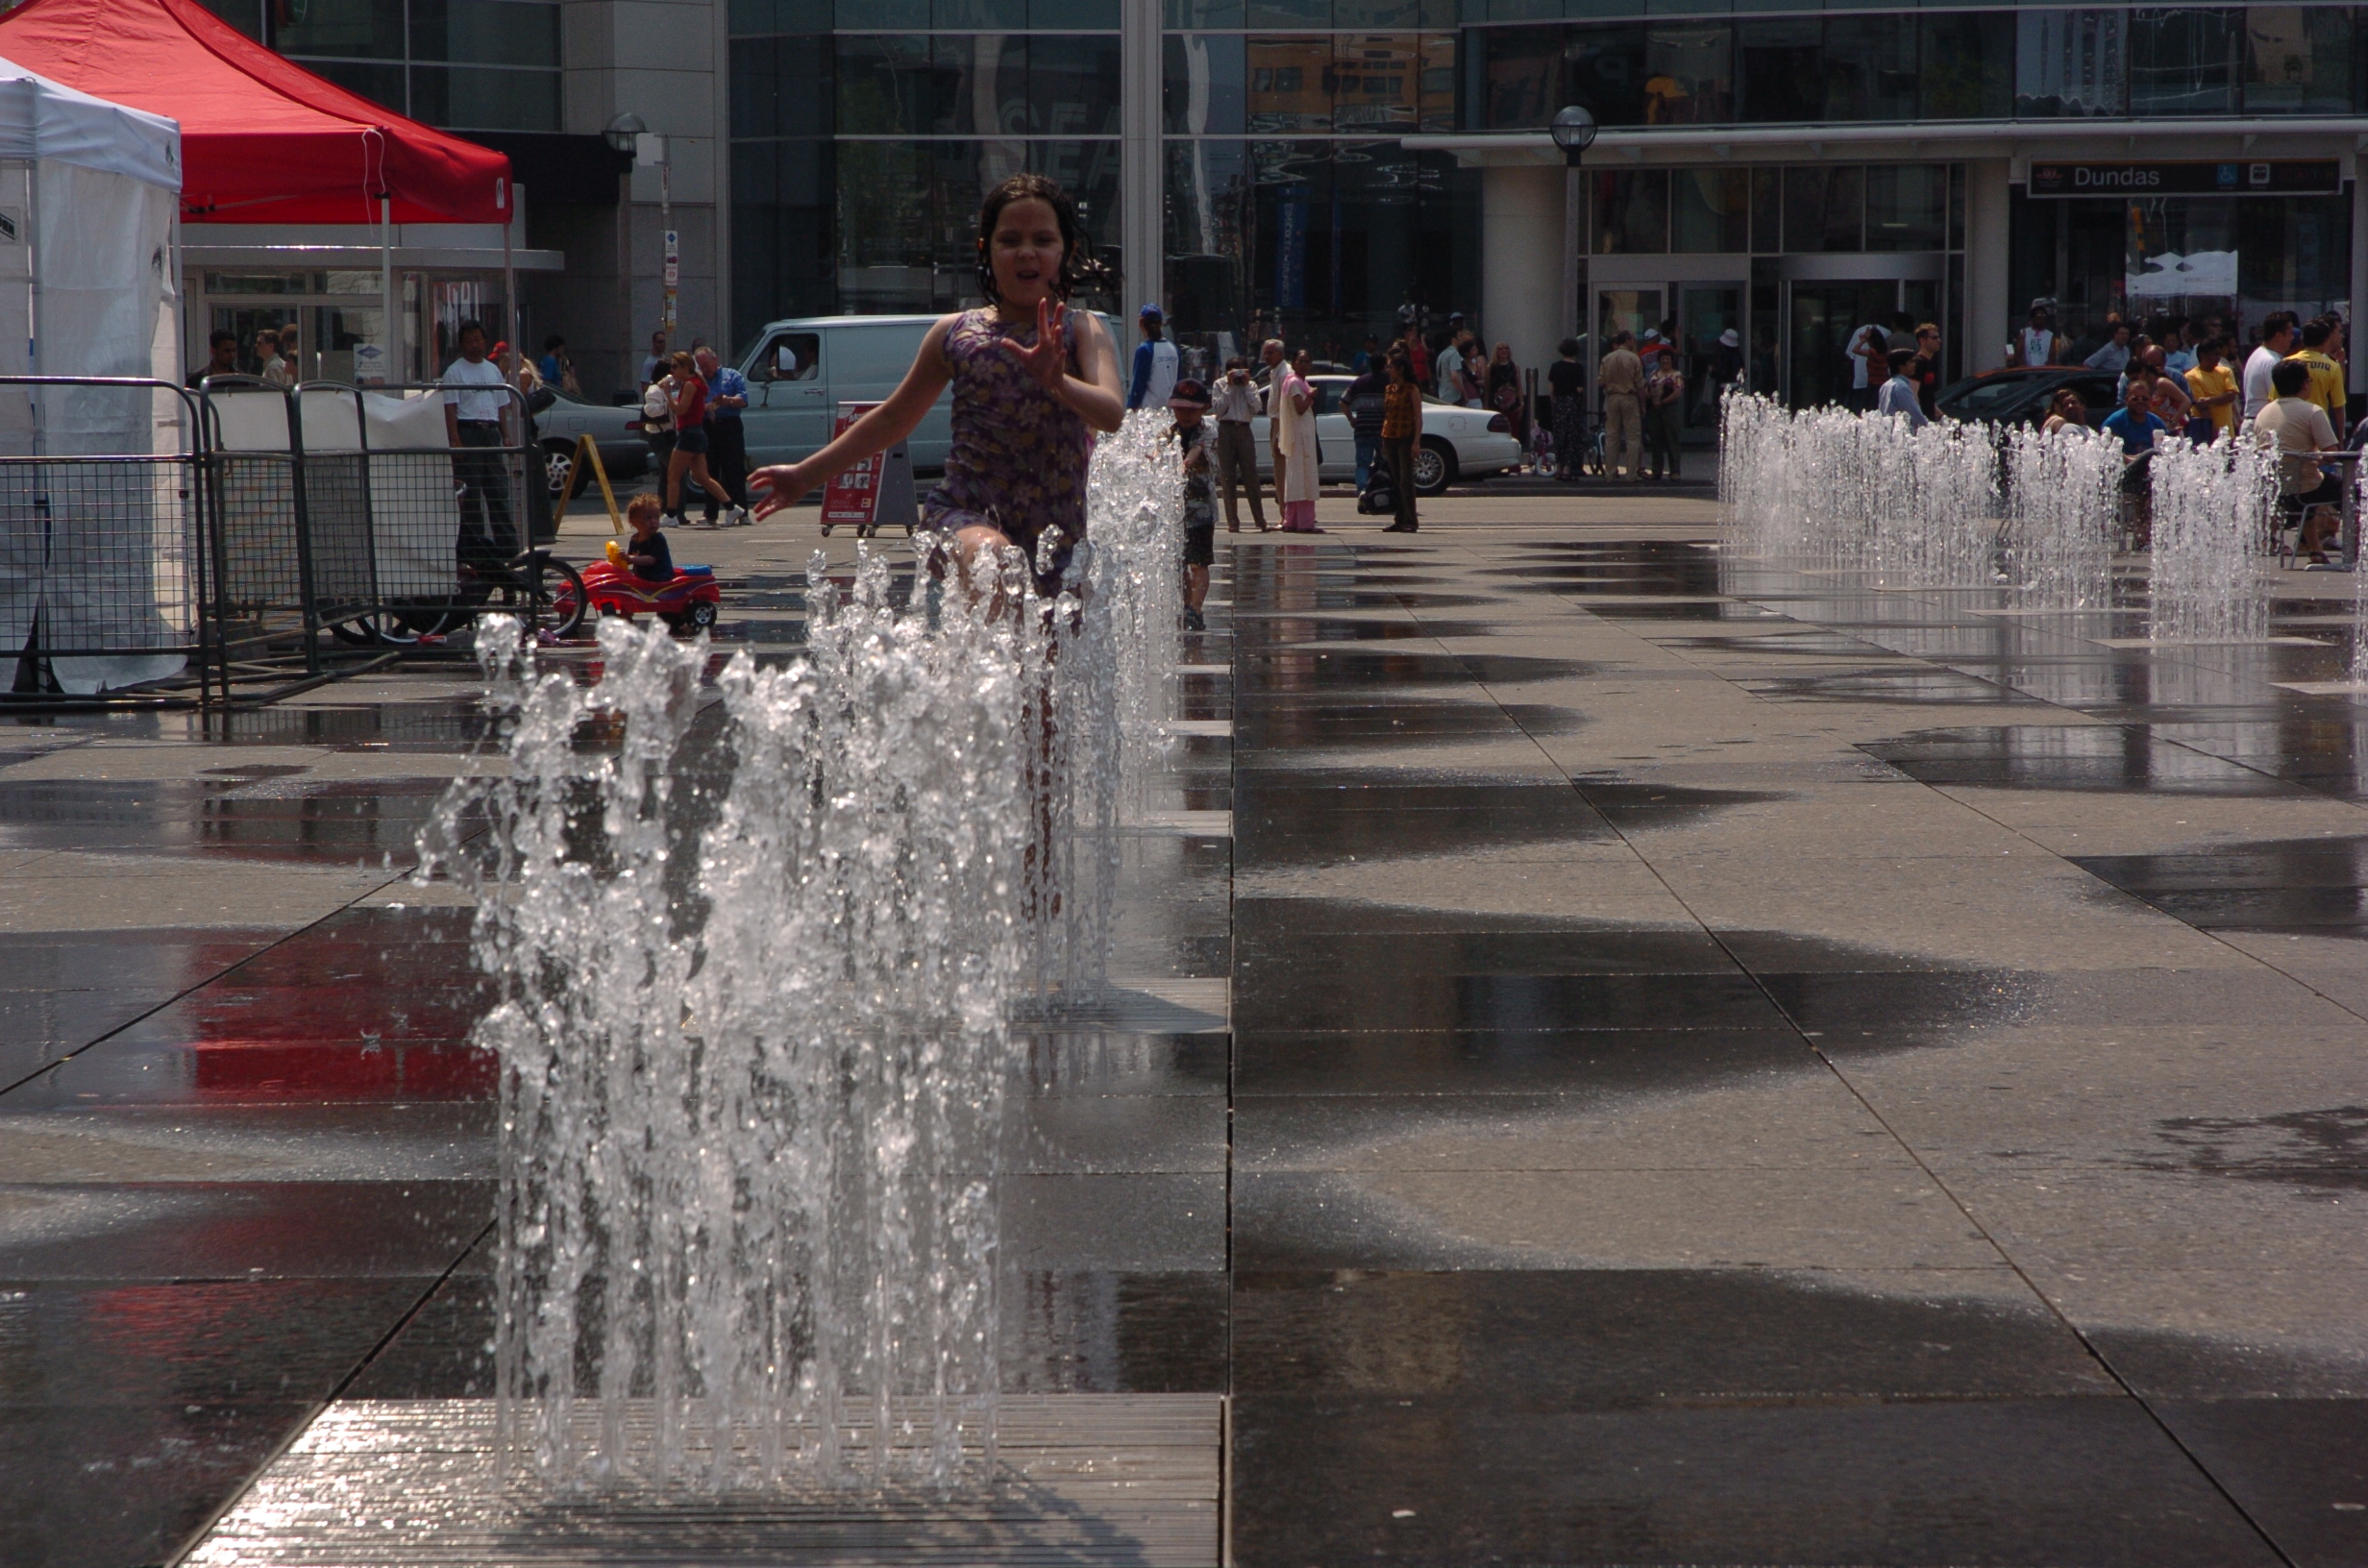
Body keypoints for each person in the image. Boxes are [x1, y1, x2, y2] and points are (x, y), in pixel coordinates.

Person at [746, 172, 1123, 601]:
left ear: (1066, 251)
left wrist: (1058, 383)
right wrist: (805, 475)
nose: (1025, 252)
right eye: (1009, 240)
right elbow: (892, 419)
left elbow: (1111, 413)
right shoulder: (955, 333)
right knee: (996, 564)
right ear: (986, 249)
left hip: (1057, 534)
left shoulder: (1082, 330)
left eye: (1042, 240)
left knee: (1037, 639)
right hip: (964, 515)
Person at [2256, 356, 2346, 560]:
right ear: (2304, 384)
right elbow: (2331, 454)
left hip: (2276, 488)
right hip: (2305, 487)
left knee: (2309, 481)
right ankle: (2356, 547)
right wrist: (2317, 456)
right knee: (2351, 492)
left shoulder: (2263, 414)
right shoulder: (2312, 411)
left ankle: (2314, 548)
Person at [441, 318, 514, 564]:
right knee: (471, 496)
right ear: (462, 344)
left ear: (485, 341)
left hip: (490, 431)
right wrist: (455, 440)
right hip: (468, 431)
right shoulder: (455, 372)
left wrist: (506, 435)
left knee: (498, 491)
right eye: (470, 341)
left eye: (478, 339)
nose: (475, 345)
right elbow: (450, 407)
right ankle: (476, 552)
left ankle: (508, 551)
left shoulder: (492, 370)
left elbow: (501, 406)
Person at [663, 349, 734, 527]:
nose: (672, 370)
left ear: (685, 367)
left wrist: (667, 394)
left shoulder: (690, 384)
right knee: (703, 477)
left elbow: (681, 409)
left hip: (689, 434)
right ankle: (732, 508)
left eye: (675, 366)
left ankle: (670, 515)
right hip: (696, 433)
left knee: (673, 475)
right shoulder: (695, 383)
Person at [1168, 379, 1215, 631]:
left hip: (1201, 510)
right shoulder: (1168, 432)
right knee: (1178, 564)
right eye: (1180, 409)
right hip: (1174, 511)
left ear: (1204, 409)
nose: (1185, 415)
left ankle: (1196, 608)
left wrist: (1184, 464)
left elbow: (1197, 450)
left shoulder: (1209, 430)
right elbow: (1156, 451)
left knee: (1199, 562)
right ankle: (1185, 605)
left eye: (1192, 410)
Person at [695, 346, 752, 526]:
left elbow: (743, 399)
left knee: (734, 469)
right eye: (701, 366)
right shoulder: (698, 380)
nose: (705, 369)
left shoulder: (732, 375)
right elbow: (693, 403)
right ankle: (710, 514)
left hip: (729, 425)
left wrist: (727, 400)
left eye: (707, 365)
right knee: (709, 470)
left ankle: (742, 512)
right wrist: (706, 408)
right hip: (708, 425)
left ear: (715, 360)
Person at [1210, 355, 1266, 531]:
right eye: (1235, 371)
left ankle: (1259, 519)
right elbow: (1218, 409)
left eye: (1241, 370)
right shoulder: (1220, 384)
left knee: (1251, 475)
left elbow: (1256, 407)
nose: (1238, 375)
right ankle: (1232, 522)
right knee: (1227, 476)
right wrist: (1229, 386)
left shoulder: (1251, 385)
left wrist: (1246, 386)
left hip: (1244, 429)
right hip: (1226, 429)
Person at [1274, 347, 1320, 532]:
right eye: (1300, 361)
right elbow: (1300, 408)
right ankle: (1302, 522)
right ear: (1293, 363)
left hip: (1304, 434)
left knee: (1301, 475)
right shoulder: (1294, 382)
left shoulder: (1301, 382)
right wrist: (1310, 396)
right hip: (1299, 436)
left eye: (1306, 361)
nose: (1303, 364)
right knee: (1302, 477)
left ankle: (1294, 520)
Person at [2285, 317, 2347, 440]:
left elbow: (2273, 400)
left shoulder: (2286, 363)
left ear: (2303, 339)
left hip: (2291, 426)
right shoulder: (2332, 367)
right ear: (2325, 341)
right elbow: (2338, 407)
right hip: (2319, 428)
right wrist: (2340, 439)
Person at [1379, 351, 1419, 533]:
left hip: (1405, 436)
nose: (1388, 370)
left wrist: (1416, 442)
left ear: (1400, 369)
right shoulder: (1389, 388)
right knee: (1395, 480)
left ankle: (1411, 520)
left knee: (1405, 480)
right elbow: (1388, 414)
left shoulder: (1411, 389)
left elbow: (1418, 417)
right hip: (1389, 436)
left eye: (1391, 367)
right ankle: (1400, 519)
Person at [1598, 331, 1643, 479]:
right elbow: (1640, 384)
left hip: (1612, 397)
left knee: (1612, 437)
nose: (1634, 342)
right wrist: (1643, 404)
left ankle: (1610, 472)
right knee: (1632, 438)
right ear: (1627, 340)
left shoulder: (1607, 358)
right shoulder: (1634, 358)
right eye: (1633, 340)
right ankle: (1631, 473)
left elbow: (1601, 381)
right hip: (1629, 397)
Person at [2243, 311, 2300, 423]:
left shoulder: (2258, 354)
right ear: (2279, 336)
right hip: (2263, 422)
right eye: (2290, 334)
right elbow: (2280, 399)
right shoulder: (2272, 362)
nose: (2292, 338)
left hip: (2255, 420)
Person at [1126, 305, 1180, 411]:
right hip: (1171, 410)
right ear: (1161, 323)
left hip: (1149, 411)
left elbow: (1139, 383)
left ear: (1141, 323)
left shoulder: (1145, 349)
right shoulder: (1174, 349)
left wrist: (1132, 407)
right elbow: (1179, 381)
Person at [2184, 336, 2239, 441]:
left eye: (2219, 354)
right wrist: (2212, 430)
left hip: (2228, 432)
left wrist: (2209, 400)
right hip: (2205, 433)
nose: (2218, 358)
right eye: (2214, 354)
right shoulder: (2191, 376)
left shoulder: (2226, 372)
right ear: (2203, 355)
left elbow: (2231, 396)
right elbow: (2201, 406)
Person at [1345, 355, 1386, 494]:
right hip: (1383, 430)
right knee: (1384, 462)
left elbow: (1343, 402)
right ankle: (1381, 488)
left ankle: (1362, 490)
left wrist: (1351, 419)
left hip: (1363, 429)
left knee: (1362, 463)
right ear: (1384, 365)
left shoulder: (1360, 382)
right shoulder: (1388, 382)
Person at [1644, 346, 1686, 478]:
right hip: (1654, 410)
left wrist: (1663, 402)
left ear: (1672, 360)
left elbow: (1678, 392)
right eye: (1662, 359)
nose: (1665, 361)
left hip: (1669, 409)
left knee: (1672, 439)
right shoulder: (1653, 374)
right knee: (1655, 440)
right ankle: (1656, 471)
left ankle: (1675, 471)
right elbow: (1648, 389)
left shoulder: (1676, 375)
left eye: (1667, 359)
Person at [1548, 337, 1586, 482]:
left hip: (1559, 403)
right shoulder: (1578, 368)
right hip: (1572, 403)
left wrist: (1554, 400)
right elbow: (1579, 388)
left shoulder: (1555, 366)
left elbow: (1551, 387)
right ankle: (1567, 470)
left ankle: (1558, 467)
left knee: (1559, 435)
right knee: (1571, 436)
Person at [619, 493, 675, 584]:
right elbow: (629, 559)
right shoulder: (634, 539)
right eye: (648, 518)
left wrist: (630, 558)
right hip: (643, 579)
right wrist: (621, 557)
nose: (654, 521)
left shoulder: (658, 539)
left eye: (656, 517)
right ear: (633, 522)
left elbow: (650, 560)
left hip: (659, 579)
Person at [1876, 347, 1928, 429]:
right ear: (1901, 366)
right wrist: (1928, 428)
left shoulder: (1886, 385)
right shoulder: (1901, 387)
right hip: (1901, 432)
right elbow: (1915, 414)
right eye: (1911, 362)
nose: (1914, 365)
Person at [1842, 318, 1885, 410]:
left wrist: (1863, 340)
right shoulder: (1884, 353)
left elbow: (1855, 350)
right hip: (1883, 383)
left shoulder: (1872, 353)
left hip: (1873, 384)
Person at [2010, 303, 2060, 368]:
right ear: (2033, 318)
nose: (2041, 319)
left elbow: (2052, 358)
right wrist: (2024, 368)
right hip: (2027, 371)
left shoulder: (2050, 335)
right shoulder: (2024, 333)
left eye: (2044, 316)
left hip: (2044, 371)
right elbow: (2018, 355)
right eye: (2039, 316)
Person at [1912, 323, 1943, 418]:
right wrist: (1920, 417)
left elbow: (1928, 397)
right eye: (1934, 338)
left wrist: (1943, 417)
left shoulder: (1930, 364)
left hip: (1929, 418)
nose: (1939, 340)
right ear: (1922, 341)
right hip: (1921, 420)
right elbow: (1913, 394)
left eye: (1938, 337)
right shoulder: (1917, 363)